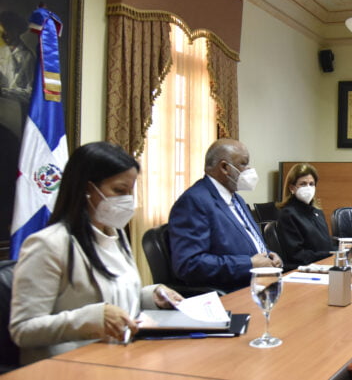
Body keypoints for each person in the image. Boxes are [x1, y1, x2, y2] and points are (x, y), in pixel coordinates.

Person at [10, 142, 182, 365]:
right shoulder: (48, 244)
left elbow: (116, 298)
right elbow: (23, 329)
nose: (128, 200)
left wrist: (152, 296)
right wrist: (91, 318)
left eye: (130, 191)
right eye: (119, 190)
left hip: (123, 357)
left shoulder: (116, 236)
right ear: (87, 189)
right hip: (71, 366)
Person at [168, 139, 282, 292]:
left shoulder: (237, 199)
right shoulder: (194, 201)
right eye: (244, 164)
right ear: (224, 167)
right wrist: (249, 264)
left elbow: (251, 242)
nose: (249, 169)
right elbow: (189, 264)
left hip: (261, 285)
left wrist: (269, 256)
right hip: (231, 292)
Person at [276, 163, 333, 269]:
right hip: (303, 268)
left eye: (311, 184)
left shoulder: (317, 212)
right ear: (292, 188)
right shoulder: (288, 214)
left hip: (324, 264)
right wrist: (329, 254)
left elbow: (326, 244)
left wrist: (340, 252)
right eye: (303, 184)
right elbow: (296, 255)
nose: (308, 188)